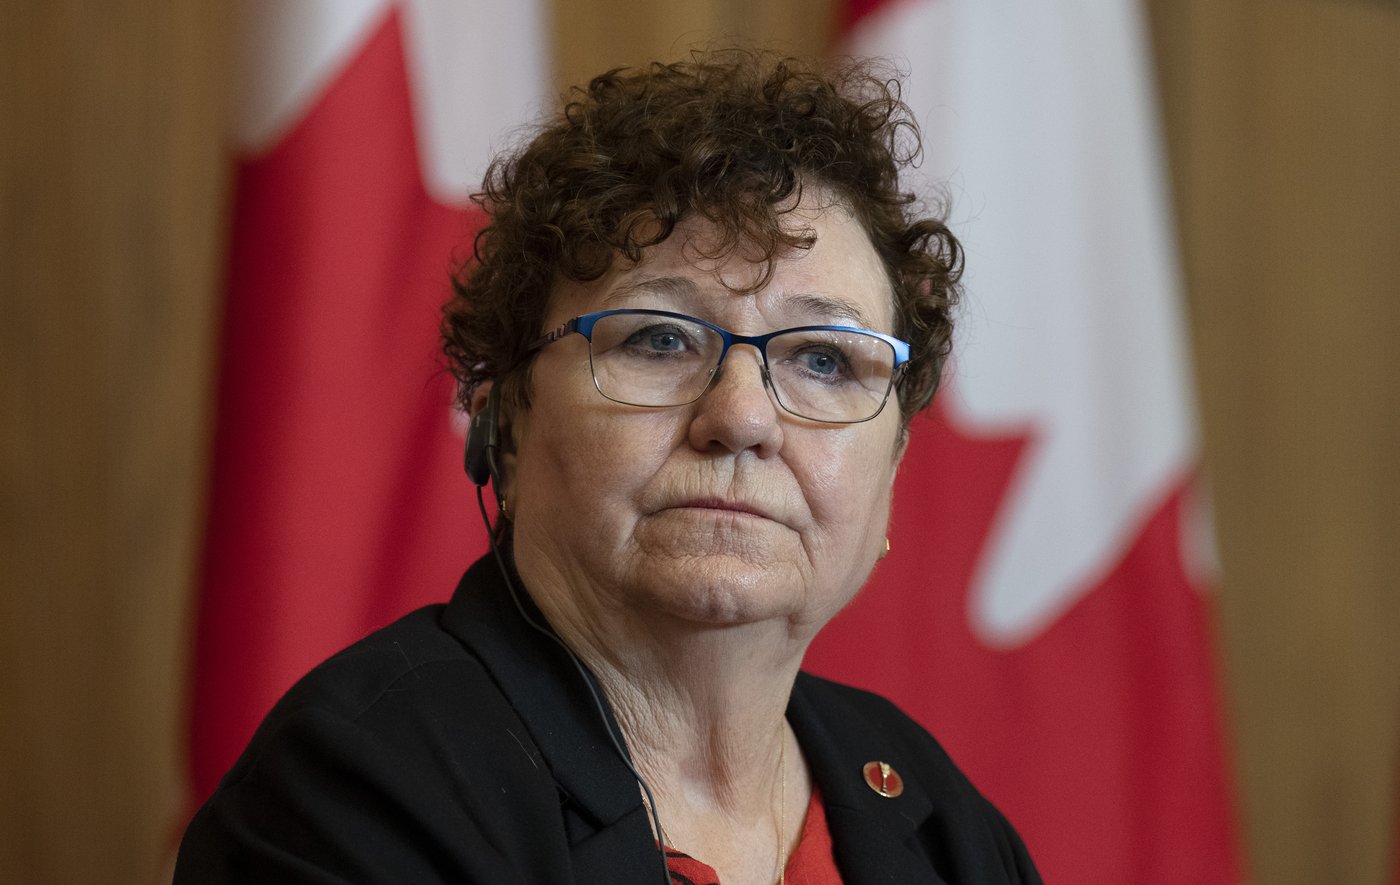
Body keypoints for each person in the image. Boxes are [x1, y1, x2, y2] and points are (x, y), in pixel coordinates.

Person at [175, 50, 1041, 884]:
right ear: (507, 420)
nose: (742, 418)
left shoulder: (940, 823)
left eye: (824, 359)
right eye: (659, 339)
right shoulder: (358, 791)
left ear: (891, 466)